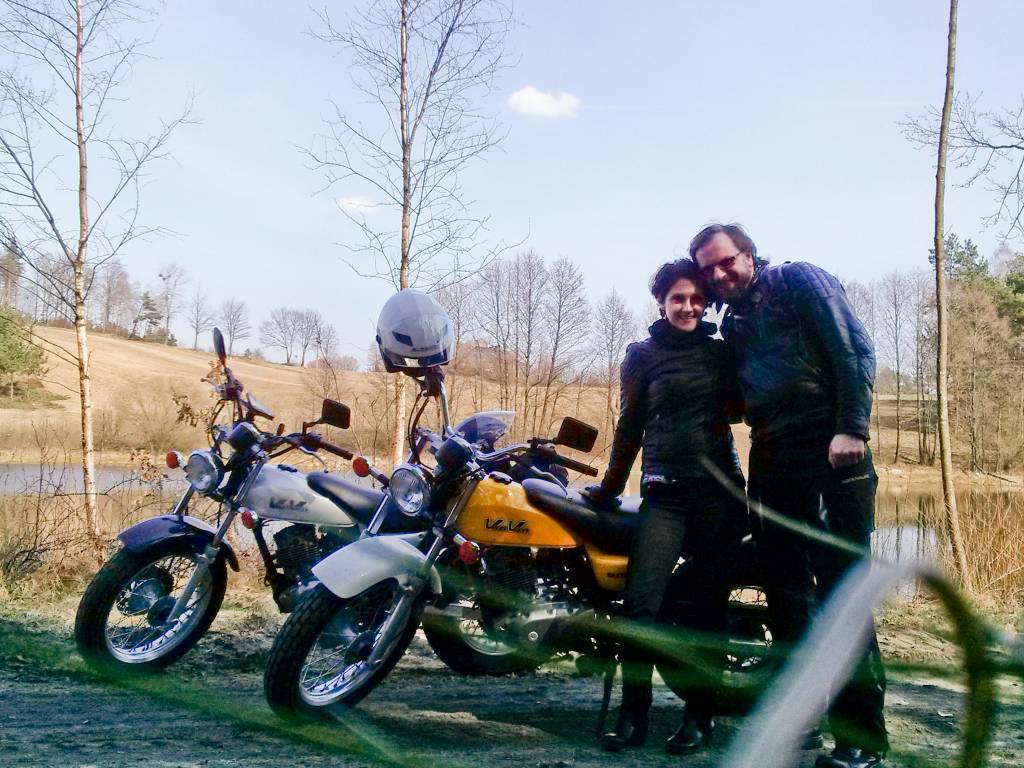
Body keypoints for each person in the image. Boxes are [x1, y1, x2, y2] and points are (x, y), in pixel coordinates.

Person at [690, 223, 888, 768]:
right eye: (708, 270)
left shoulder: (799, 280)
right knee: (786, 593)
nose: (720, 274)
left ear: (749, 254)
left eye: (727, 260)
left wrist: (852, 427)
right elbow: (740, 399)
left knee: (842, 594)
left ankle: (862, 739)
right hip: (771, 456)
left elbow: (853, 349)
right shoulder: (733, 324)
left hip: (830, 449)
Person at [584, 258, 745, 755]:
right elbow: (629, 426)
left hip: (718, 496)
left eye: (697, 299)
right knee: (640, 607)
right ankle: (635, 712)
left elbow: (743, 410)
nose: (689, 307)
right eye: (679, 298)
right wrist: (610, 487)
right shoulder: (640, 355)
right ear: (661, 301)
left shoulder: (722, 353)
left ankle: (700, 718)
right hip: (664, 496)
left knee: (707, 610)